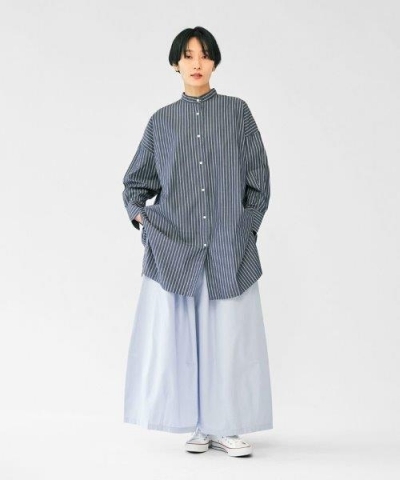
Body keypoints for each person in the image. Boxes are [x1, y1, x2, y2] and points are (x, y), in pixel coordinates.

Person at [122, 26, 273, 457]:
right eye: (188, 55)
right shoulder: (162, 122)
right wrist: (145, 221)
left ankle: (226, 426)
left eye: (204, 55)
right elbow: (135, 185)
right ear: (176, 63)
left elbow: (259, 182)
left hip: (228, 248)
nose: (196, 63)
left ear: (215, 61)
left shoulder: (237, 113)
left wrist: (244, 230)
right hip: (179, 251)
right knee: (184, 343)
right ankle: (200, 426)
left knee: (228, 340)